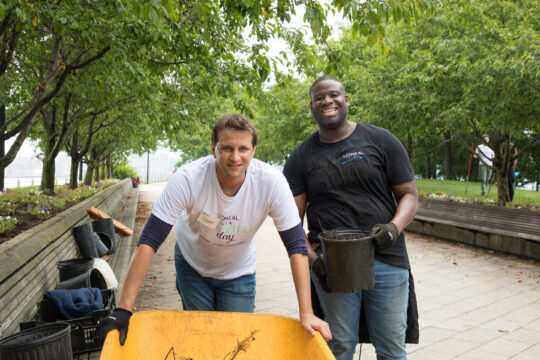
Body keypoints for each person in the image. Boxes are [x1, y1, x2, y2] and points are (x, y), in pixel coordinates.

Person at [98, 113, 331, 345]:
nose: (235, 157)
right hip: (192, 267)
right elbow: (149, 241)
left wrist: (307, 313)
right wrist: (124, 309)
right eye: (227, 148)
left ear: (254, 150)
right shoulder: (189, 179)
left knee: (235, 342)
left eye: (243, 149)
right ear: (213, 149)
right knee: (201, 338)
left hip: (238, 272)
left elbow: (296, 247)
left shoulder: (271, 182)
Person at [283, 75, 419, 360]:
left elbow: (409, 195)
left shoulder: (381, 140)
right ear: (312, 106)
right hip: (333, 265)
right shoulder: (300, 158)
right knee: (340, 344)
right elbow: (291, 223)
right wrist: (314, 262)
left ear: (346, 100)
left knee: (392, 348)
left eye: (333, 95)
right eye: (319, 97)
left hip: (386, 257)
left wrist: (394, 228)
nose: (327, 101)